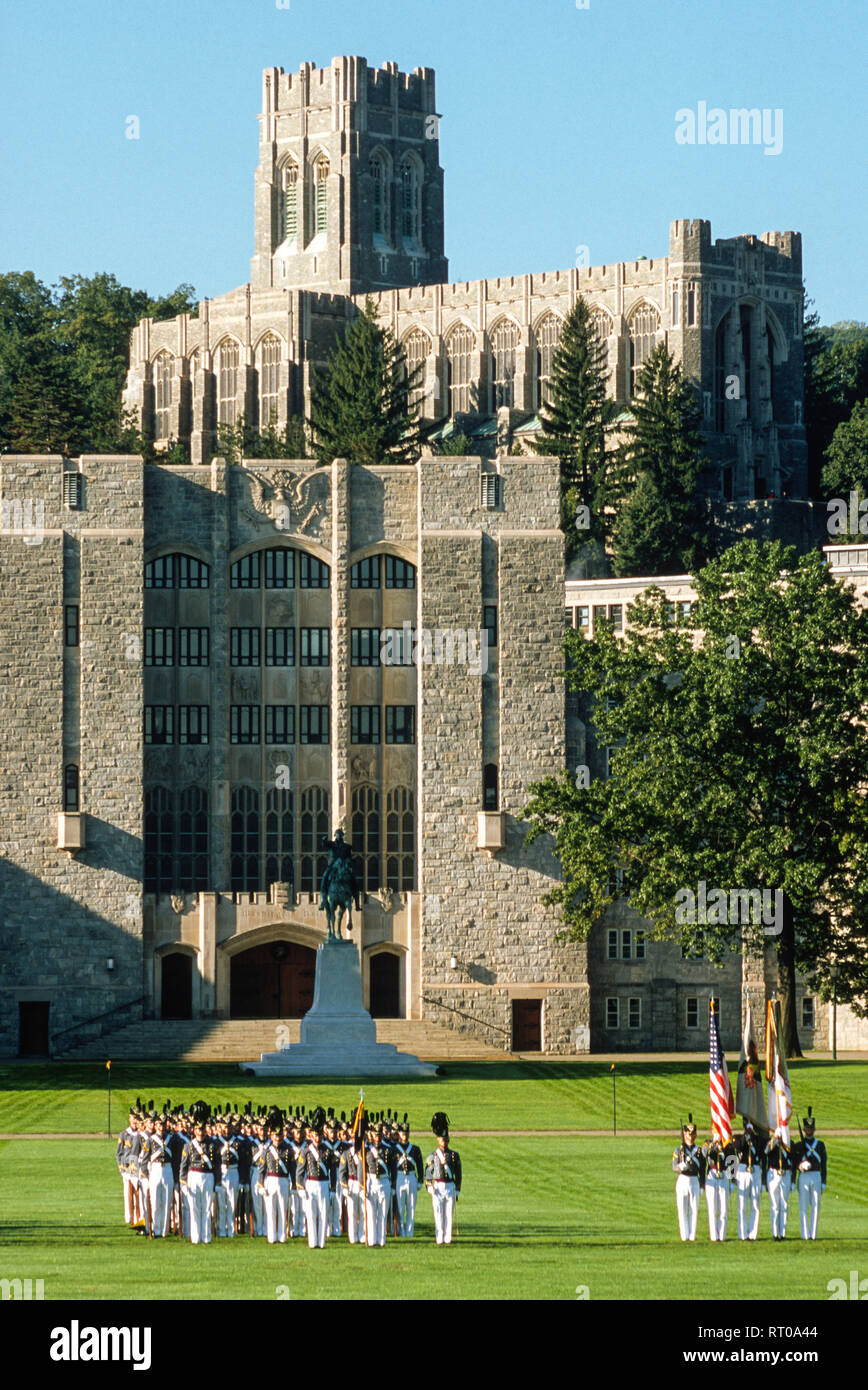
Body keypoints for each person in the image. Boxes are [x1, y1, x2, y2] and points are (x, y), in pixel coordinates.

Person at [425, 1113, 461, 1246]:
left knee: (448, 1213)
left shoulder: (454, 1155)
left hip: (450, 1185)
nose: (444, 1142)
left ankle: (447, 1237)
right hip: (438, 1186)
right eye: (442, 1140)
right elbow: (428, 1171)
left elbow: (458, 1173)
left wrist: (457, 1189)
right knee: (438, 1212)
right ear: (437, 1141)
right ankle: (439, 1237)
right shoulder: (433, 1155)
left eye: (446, 1140)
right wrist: (429, 1185)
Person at [180, 1121, 218, 1245]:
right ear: (194, 1130)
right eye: (197, 1129)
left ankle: (206, 1237)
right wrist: (183, 1183)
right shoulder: (188, 1145)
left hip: (208, 1175)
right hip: (193, 1176)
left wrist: (217, 1182)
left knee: (207, 1208)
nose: (200, 1132)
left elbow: (217, 1165)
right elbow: (184, 1166)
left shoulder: (212, 1144)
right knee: (194, 1207)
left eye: (202, 1129)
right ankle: (195, 1237)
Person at [792, 1108, 827, 1241]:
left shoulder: (820, 1145)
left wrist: (823, 1181)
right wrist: (799, 1166)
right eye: (807, 1128)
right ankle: (805, 1234)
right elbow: (794, 1162)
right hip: (804, 1176)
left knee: (816, 1205)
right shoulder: (799, 1145)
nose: (809, 1130)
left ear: (814, 1129)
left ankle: (813, 1234)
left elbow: (823, 1164)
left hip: (816, 1175)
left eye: (811, 1128)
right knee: (803, 1205)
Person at [672, 1118, 705, 1242]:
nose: (690, 1137)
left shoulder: (699, 1151)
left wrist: (702, 1185)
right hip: (683, 1179)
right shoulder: (678, 1150)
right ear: (684, 1134)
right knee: (682, 1210)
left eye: (693, 1134)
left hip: (694, 1180)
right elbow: (674, 1166)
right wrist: (679, 1167)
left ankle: (692, 1236)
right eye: (688, 1134)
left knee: (694, 1210)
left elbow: (702, 1170)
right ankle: (684, 1236)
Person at [733, 1118, 764, 1241]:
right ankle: (742, 1233)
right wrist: (746, 1137)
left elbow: (762, 1155)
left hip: (755, 1170)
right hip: (742, 1169)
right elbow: (736, 1150)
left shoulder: (759, 1139)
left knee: (755, 1204)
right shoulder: (737, 1137)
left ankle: (753, 1233)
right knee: (742, 1204)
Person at [703, 1130, 736, 1241]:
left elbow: (733, 1161)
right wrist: (713, 1144)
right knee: (712, 1208)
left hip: (724, 1175)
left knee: (724, 1209)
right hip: (712, 1175)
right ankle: (713, 1236)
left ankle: (722, 1235)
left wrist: (733, 1179)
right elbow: (704, 1153)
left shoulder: (728, 1145)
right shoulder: (707, 1144)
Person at [365, 1125, 394, 1246]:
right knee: (371, 1212)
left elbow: (393, 1169)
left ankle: (381, 1240)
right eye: (375, 1135)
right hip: (371, 1181)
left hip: (384, 1181)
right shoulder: (366, 1149)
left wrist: (393, 1186)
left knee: (382, 1212)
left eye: (379, 1135)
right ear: (372, 1135)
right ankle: (372, 1240)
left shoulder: (388, 1149)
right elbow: (362, 1168)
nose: (377, 1137)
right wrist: (363, 1186)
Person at [394, 1120, 424, 1238]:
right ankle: (401, 1231)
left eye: (406, 1133)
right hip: (400, 1177)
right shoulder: (394, 1149)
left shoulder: (415, 1149)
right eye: (402, 1133)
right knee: (401, 1208)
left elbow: (420, 1165)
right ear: (399, 1134)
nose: (404, 1135)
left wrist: (420, 1180)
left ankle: (410, 1232)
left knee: (411, 1206)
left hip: (411, 1176)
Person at [263, 1122, 291, 1245]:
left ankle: (282, 1235)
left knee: (282, 1209)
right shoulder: (267, 1150)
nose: (277, 1138)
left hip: (284, 1180)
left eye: (279, 1135)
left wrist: (295, 1184)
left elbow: (293, 1167)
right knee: (270, 1210)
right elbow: (261, 1168)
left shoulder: (288, 1149)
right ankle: (272, 1236)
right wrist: (260, 1184)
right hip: (270, 1179)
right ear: (271, 1136)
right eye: (275, 1135)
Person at [765, 1127, 792, 1241]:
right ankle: (775, 1233)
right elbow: (766, 1151)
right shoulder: (772, 1144)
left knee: (784, 1205)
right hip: (774, 1174)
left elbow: (793, 1160)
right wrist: (774, 1138)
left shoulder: (789, 1145)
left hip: (785, 1174)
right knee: (775, 1205)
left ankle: (783, 1233)